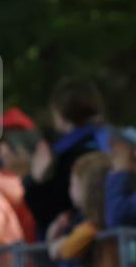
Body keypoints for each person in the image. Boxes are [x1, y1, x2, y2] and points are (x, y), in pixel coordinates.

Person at [24, 78, 106, 236]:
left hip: (76, 237)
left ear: (59, 113)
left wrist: (35, 181)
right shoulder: (109, 139)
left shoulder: (67, 154)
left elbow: (48, 207)